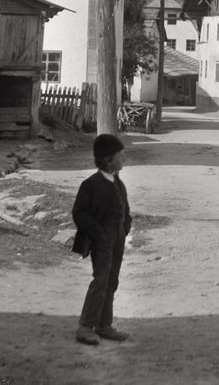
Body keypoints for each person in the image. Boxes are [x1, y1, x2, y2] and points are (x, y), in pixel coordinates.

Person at [72, 133, 132, 345]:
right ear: (107, 159)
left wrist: (125, 228)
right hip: (102, 241)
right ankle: (85, 327)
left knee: (112, 281)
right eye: (120, 156)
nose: (124, 159)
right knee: (101, 280)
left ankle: (104, 325)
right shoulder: (91, 185)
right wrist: (99, 234)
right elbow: (79, 213)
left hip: (117, 240)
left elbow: (125, 209)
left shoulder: (118, 183)